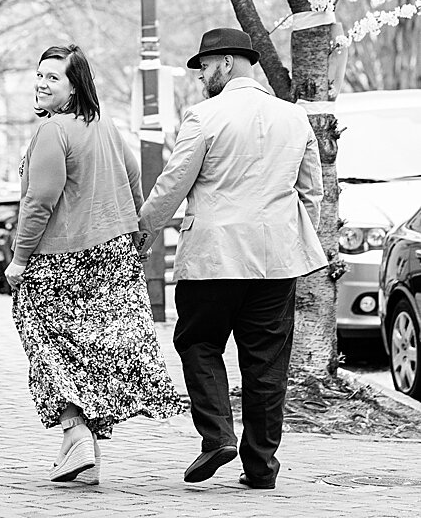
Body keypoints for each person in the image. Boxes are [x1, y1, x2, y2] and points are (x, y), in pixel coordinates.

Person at [139, 28, 324, 491]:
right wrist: (291, 237)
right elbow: (311, 194)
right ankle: (261, 468)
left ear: (226, 63)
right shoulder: (294, 118)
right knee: (266, 363)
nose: (201, 75)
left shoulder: (204, 116)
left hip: (213, 258)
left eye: (204, 66)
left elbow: (174, 183)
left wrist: (142, 229)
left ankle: (218, 435)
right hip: (276, 262)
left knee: (199, 343)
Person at [4, 44, 180, 485]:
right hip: (114, 251)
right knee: (91, 353)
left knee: (46, 343)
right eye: (39, 74)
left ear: (73, 86)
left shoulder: (54, 132)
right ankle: (84, 456)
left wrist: (19, 258)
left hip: (61, 257)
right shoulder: (104, 126)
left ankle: (75, 430)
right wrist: (139, 236)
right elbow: (136, 179)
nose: (41, 83)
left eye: (53, 78)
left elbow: (39, 201)